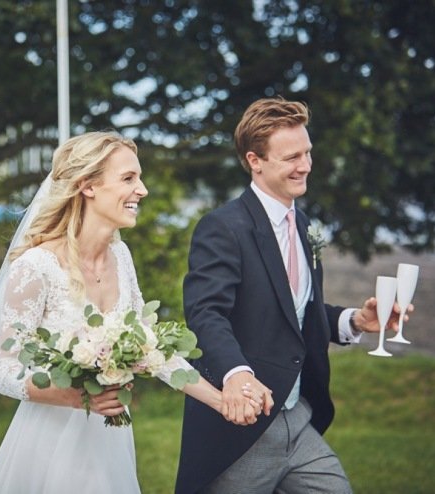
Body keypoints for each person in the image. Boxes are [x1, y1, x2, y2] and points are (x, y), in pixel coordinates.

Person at [175, 97, 413, 494]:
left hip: (299, 419)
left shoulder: (301, 223)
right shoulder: (223, 227)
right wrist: (238, 376)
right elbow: (205, 313)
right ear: (256, 160)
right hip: (244, 429)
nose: (305, 165)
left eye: (307, 153)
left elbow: (296, 311)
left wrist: (355, 320)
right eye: (291, 157)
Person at [0, 131, 223, 493]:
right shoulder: (37, 267)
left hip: (111, 440)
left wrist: (222, 401)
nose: (142, 190)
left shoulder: (121, 257)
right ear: (88, 186)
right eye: (129, 178)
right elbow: (3, 371)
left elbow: (152, 350)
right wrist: (77, 397)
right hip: (50, 442)